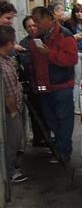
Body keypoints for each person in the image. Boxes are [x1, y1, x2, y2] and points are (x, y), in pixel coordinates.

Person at [30, 6, 78, 164]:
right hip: (44, 86)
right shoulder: (36, 37)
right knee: (50, 118)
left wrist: (48, 53)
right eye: (34, 21)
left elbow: (71, 60)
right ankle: (59, 146)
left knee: (63, 120)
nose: (35, 24)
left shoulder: (65, 35)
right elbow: (35, 62)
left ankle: (63, 151)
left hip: (61, 86)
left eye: (37, 21)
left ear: (49, 18)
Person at [0, 25, 27, 182]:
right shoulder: (4, 68)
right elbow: (8, 95)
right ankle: (9, 174)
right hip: (10, 111)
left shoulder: (6, 61)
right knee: (12, 142)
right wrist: (14, 111)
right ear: (9, 44)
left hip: (10, 110)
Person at [18, 16, 49, 147]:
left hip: (45, 83)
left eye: (34, 25)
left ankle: (47, 135)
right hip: (33, 83)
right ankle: (39, 138)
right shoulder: (24, 43)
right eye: (28, 26)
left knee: (46, 108)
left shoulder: (44, 38)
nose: (32, 28)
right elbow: (25, 62)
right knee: (36, 109)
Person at [63, 4, 82, 114]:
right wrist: (74, 38)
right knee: (76, 80)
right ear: (73, 13)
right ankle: (76, 106)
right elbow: (64, 38)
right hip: (76, 53)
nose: (79, 14)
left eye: (81, 11)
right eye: (77, 11)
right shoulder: (68, 24)